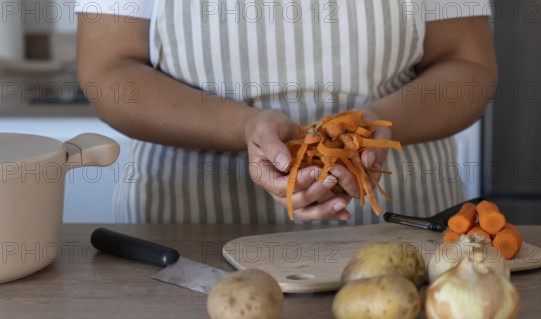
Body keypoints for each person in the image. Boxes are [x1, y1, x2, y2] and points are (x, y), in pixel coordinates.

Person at [75, 1, 497, 224]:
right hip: (189, 237)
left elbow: (468, 65)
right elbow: (108, 70)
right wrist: (243, 127)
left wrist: (372, 129)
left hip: (396, 231)